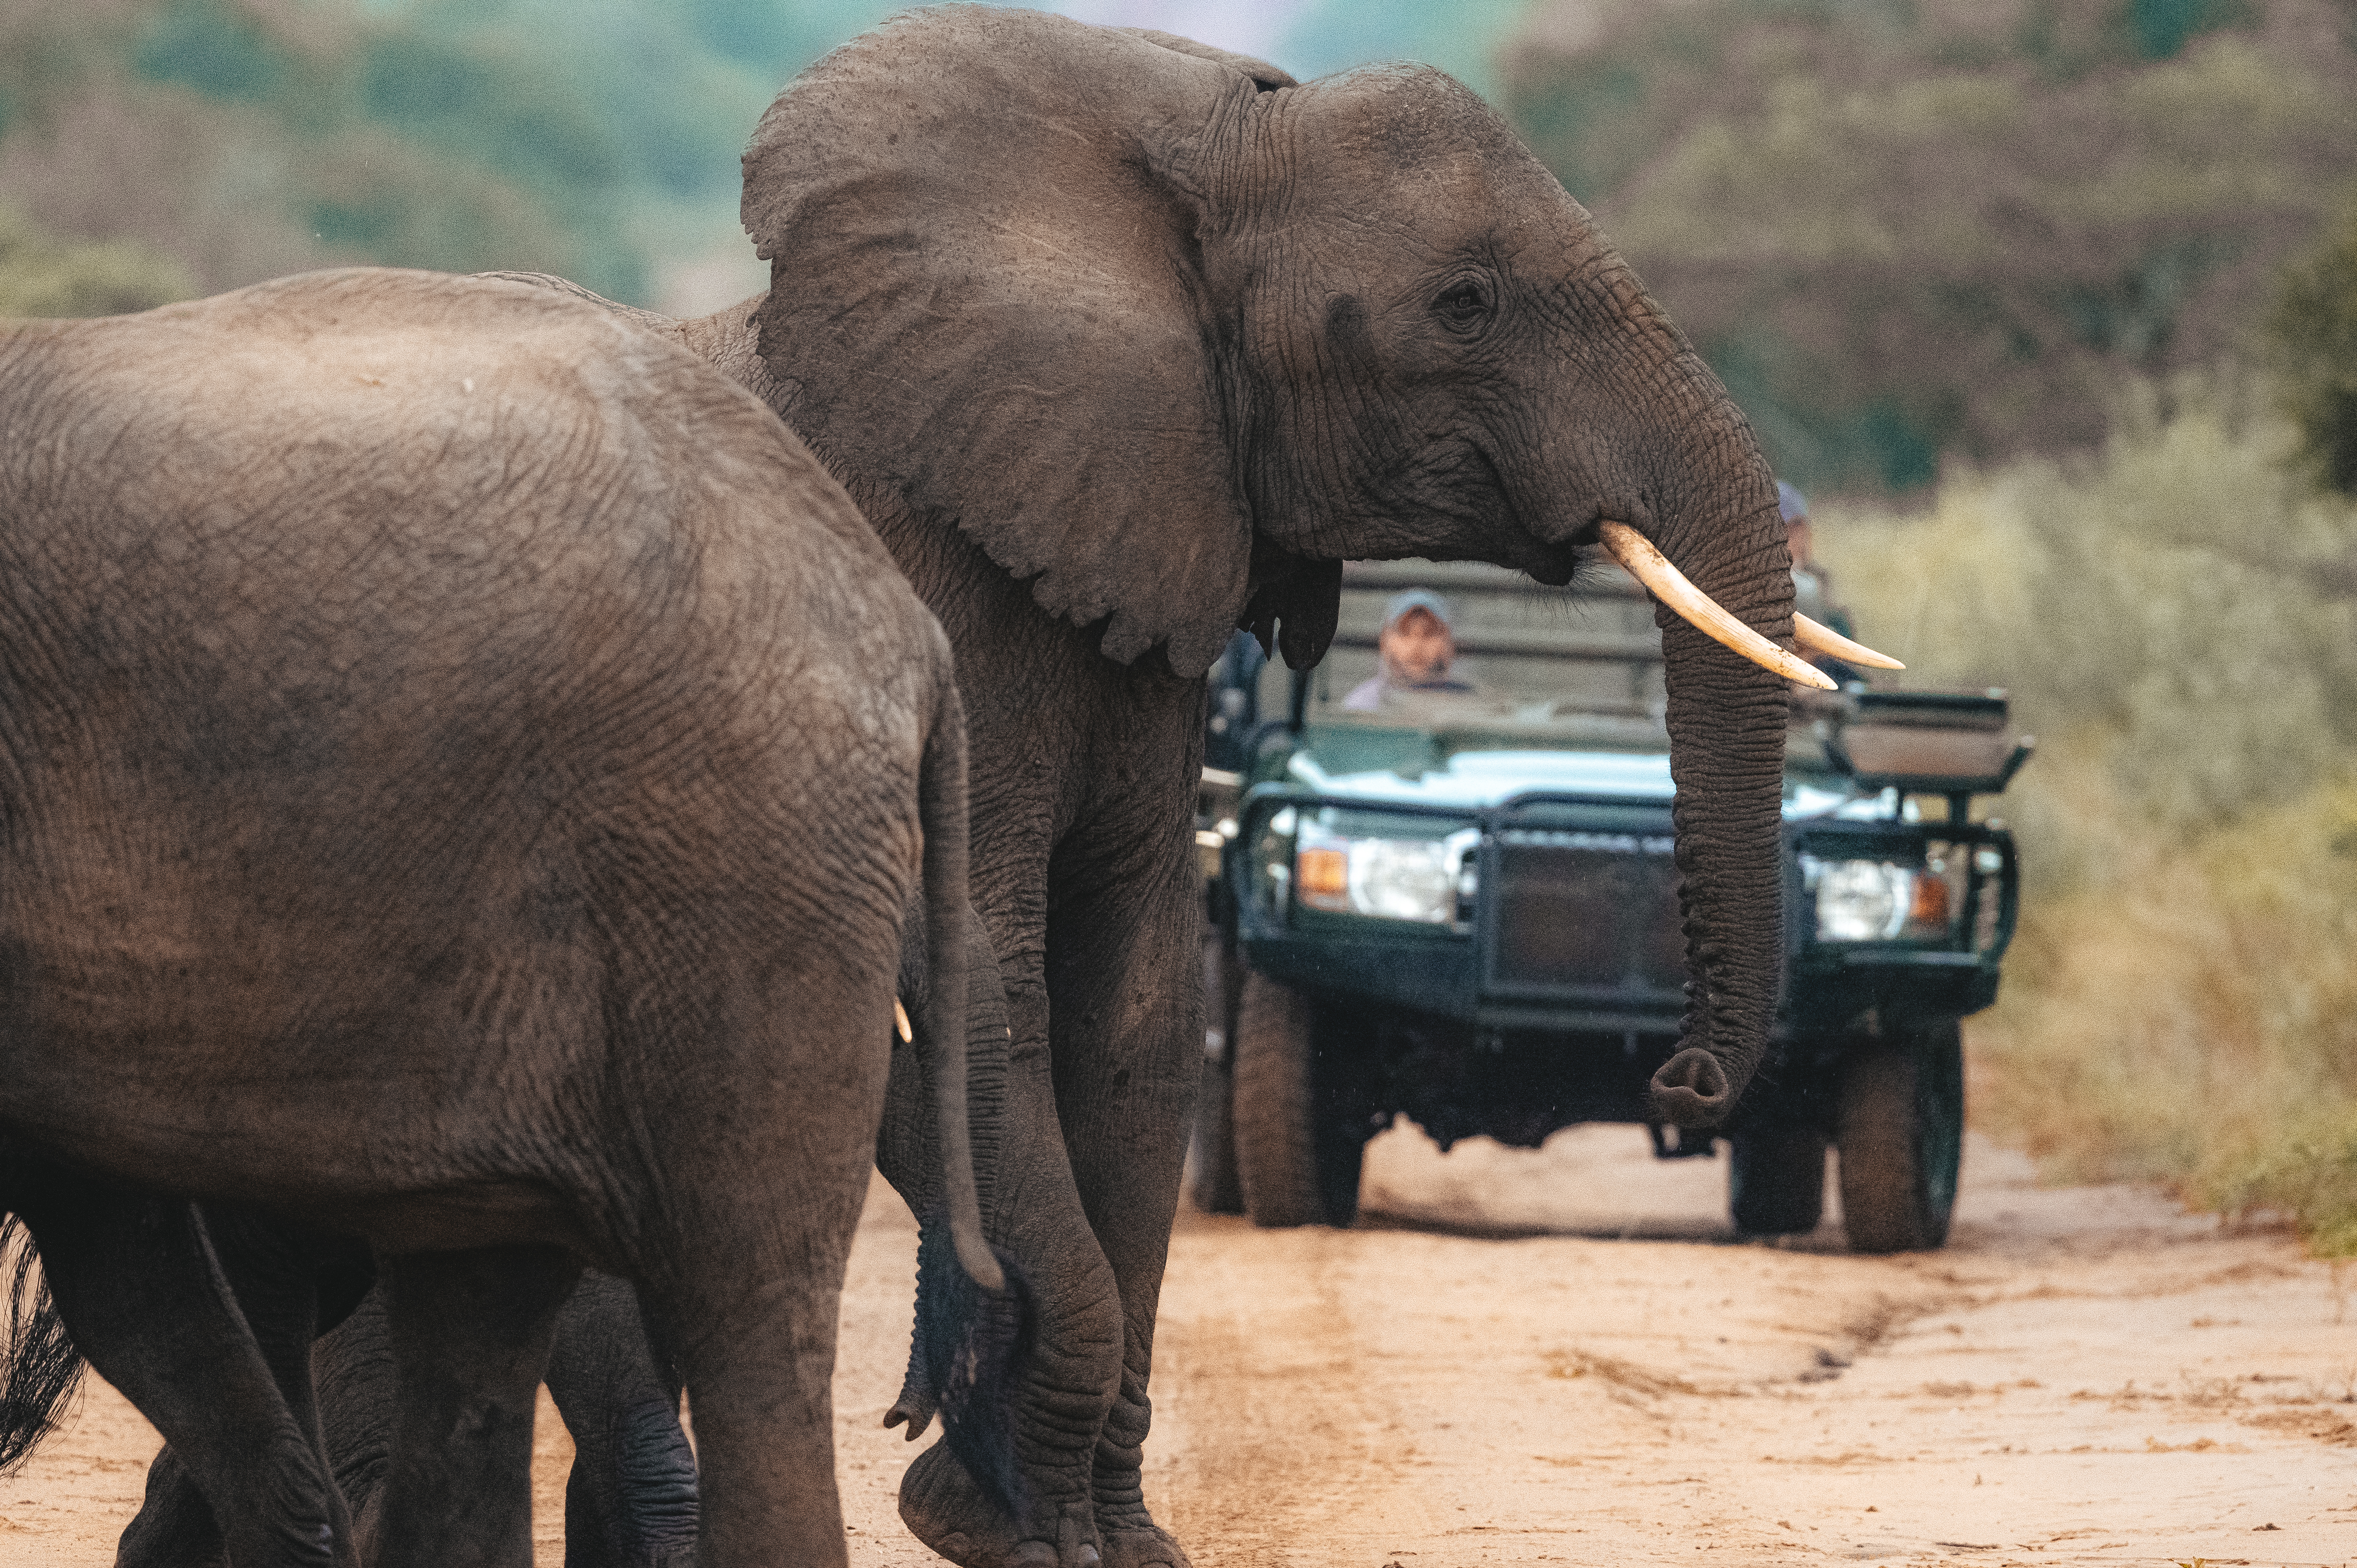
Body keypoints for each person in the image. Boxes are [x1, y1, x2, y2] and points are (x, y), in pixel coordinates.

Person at [1778, 480, 1863, 686]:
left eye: (1802, 529)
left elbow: (1843, 635)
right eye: (1790, 531)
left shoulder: (1818, 579)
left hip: (1829, 669)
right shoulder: (1777, 584)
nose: (1800, 539)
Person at [1344, 587, 1477, 712]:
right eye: (1406, 634)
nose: (1417, 647)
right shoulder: (1362, 705)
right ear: (1385, 641)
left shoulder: (1470, 703)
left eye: (1429, 634)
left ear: (1449, 643)